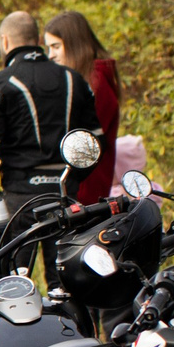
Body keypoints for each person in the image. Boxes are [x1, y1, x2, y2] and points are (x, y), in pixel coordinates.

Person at [0, 10, 99, 213]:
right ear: (37, 39)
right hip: (65, 194)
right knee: (67, 246)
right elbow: (95, 140)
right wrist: (73, 178)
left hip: (19, 198)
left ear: (5, 41)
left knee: (20, 246)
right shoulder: (75, 79)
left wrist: (9, 182)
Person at [45, 11, 121, 204]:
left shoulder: (96, 83)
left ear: (74, 46)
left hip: (85, 192)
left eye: (56, 47)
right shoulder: (88, 80)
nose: (50, 55)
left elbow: (84, 142)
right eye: (48, 48)